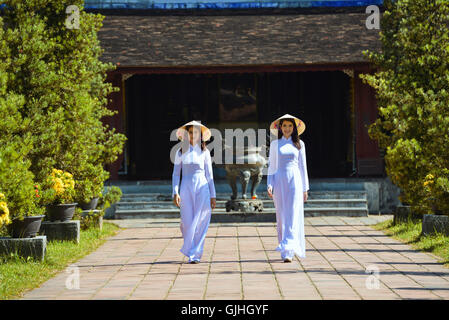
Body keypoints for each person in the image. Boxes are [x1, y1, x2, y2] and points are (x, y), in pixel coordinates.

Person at [172, 120, 217, 264]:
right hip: (185, 187)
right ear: (186, 135)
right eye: (190, 132)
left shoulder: (205, 152)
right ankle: (190, 245)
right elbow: (175, 174)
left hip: (202, 187)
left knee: (201, 220)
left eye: (196, 132)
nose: (193, 135)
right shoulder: (180, 152)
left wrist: (213, 195)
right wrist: (175, 192)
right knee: (187, 221)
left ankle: (195, 254)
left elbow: (209, 175)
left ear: (200, 135)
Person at [267, 114, 309, 262]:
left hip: (295, 181)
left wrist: (305, 188)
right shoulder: (274, 145)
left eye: (290, 126)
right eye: (284, 126)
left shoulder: (299, 144)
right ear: (280, 128)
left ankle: (289, 248)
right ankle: (285, 252)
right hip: (279, 180)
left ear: (294, 128)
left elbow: (303, 167)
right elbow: (271, 166)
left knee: (292, 213)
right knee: (281, 215)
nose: (287, 129)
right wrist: (269, 184)